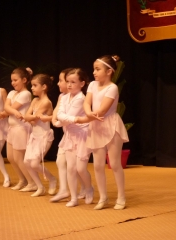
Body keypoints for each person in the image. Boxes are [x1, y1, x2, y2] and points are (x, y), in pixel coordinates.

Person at [75, 55, 129, 210]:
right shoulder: (92, 84)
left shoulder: (112, 87)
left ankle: (121, 197)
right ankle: (103, 198)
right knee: (98, 165)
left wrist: (88, 117)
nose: (94, 72)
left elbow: (104, 109)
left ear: (109, 71)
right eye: (94, 69)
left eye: (98, 69)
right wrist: (88, 114)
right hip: (95, 125)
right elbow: (87, 102)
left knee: (115, 163)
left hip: (111, 125)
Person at [54, 68, 93, 207]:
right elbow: (60, 115)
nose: (69, 85)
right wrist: (65, 119)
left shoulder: (81, 98)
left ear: (82, 84)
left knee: (80, 168)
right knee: (70, 168)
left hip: (82, 135)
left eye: (73, 82)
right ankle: (74, 198)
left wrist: (66, 119)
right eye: (68, 82)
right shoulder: (64, 97)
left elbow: (65, 116)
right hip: (70, 135)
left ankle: (89, 188)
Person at [23, 74, 57, 197]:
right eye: (32, 85)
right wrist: (31, 117)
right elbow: (28, 116)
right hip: (34, 135)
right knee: (26, 162)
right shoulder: (34, 100)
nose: (32, 88)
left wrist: (30, 118)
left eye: (34, 85)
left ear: (44, 87)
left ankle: (52, 179)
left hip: (44, 136)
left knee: (34, 163)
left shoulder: (46, 102)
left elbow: (32, 119)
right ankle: (40, 186)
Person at [4, 67, 35, 191]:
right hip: (12, 128)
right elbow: (7, 107)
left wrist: (10, 110)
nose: (13, 83)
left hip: (21, 128)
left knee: (18, 158)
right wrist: (12, 111)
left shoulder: (26, 94)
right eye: (12, 80)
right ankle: (22, 180)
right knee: (10, 157)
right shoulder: (12, 93)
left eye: (15, 80)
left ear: (24, 80)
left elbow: (10, 107)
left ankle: (32, 182)